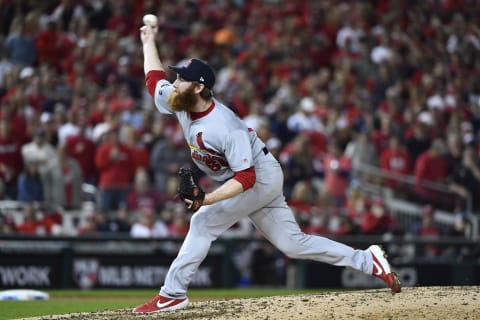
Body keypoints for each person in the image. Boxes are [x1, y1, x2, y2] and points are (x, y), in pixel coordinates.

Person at [133, 24, 401, 314]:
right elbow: (153, 79)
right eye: (176, 77)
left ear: (199, 87)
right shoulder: (179, 99)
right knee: (293, 244)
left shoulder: (224, 126)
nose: (174, 83)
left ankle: (172, 293)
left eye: (181, 79)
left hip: (258, 176)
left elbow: (247, 178)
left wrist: (206, 199)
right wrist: (149, 41)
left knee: (203, 221)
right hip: (248, 179)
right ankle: (368, 260)